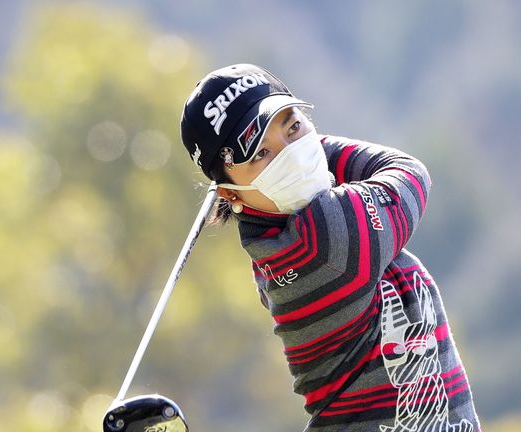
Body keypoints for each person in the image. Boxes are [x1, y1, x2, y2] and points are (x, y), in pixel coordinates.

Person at [180, 64, 480, 432]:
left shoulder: (271, 248)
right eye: (261, 153)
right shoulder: (325, 241)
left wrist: (297, 148)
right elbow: (408, 173)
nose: (292, 155)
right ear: (228, 194)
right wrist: (309, 145)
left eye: (293, 126)